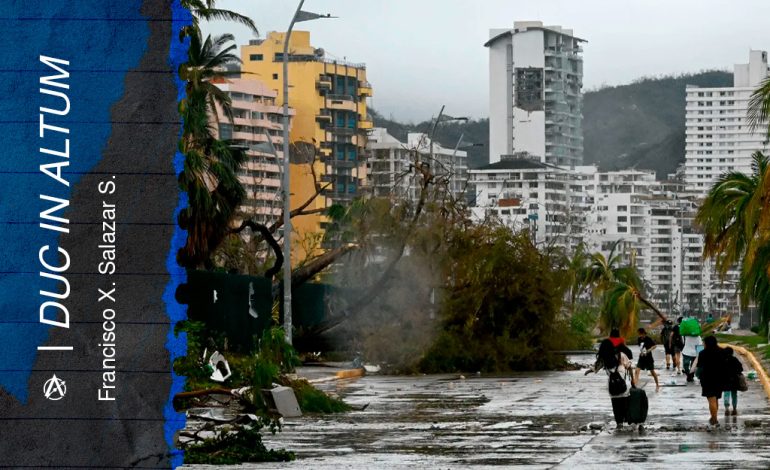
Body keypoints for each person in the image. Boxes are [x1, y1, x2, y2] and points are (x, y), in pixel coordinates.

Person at [587, 335, 636, 429]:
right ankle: (629, 422)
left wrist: (589, 371)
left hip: (612, 386)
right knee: (625, 404)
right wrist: (633, 380)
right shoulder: (620, 355)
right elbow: (629, 367)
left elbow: (595, 368)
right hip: (624, 385)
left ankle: (619, 423)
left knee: (616, 405)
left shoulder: (604, 359)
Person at [695, 335, 727, 426]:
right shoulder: (722, 351)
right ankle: (714, 417)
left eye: (704, 342)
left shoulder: (703, 353)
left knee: (711, 400)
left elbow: (699, 368)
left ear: (707, 343)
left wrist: (697, 375)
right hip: (720, 378)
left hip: (707, 379)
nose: (703, 344)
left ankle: (714, 419)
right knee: (716, 398)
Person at [722, 347, 743, 416]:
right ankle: (734, 409)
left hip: (725, 380)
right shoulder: (734, 359)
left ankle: (727, 408)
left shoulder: (722, 360)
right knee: (734, 395)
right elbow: (741, 368)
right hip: (734, 380)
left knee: (726, 394)